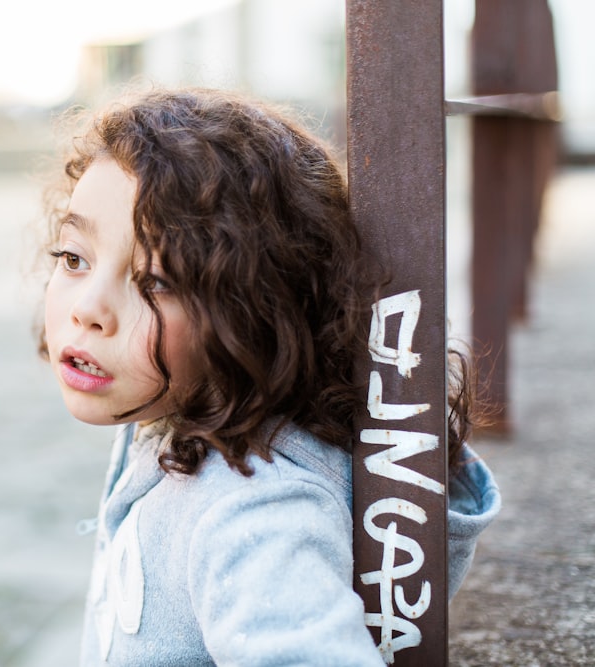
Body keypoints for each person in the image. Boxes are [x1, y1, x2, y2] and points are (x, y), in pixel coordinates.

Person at [38, 87, 500, 666]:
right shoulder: (180, 404)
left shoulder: (253, 511)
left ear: (257, 310)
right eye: (74, 258)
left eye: (159, 280)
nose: (87, 309)